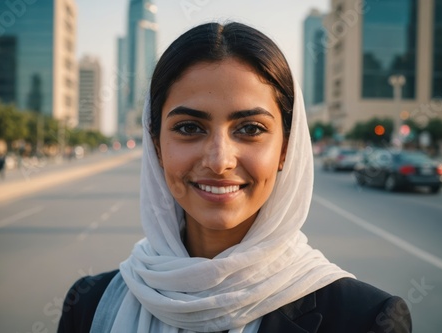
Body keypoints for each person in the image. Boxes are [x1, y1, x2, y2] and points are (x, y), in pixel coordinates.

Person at [58, 22, 412, 333]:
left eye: (250, 129)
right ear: (156, 145)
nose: (219, 160)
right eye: (189, 127)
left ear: (286, 149)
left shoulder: (364, 319)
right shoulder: (89, 305)